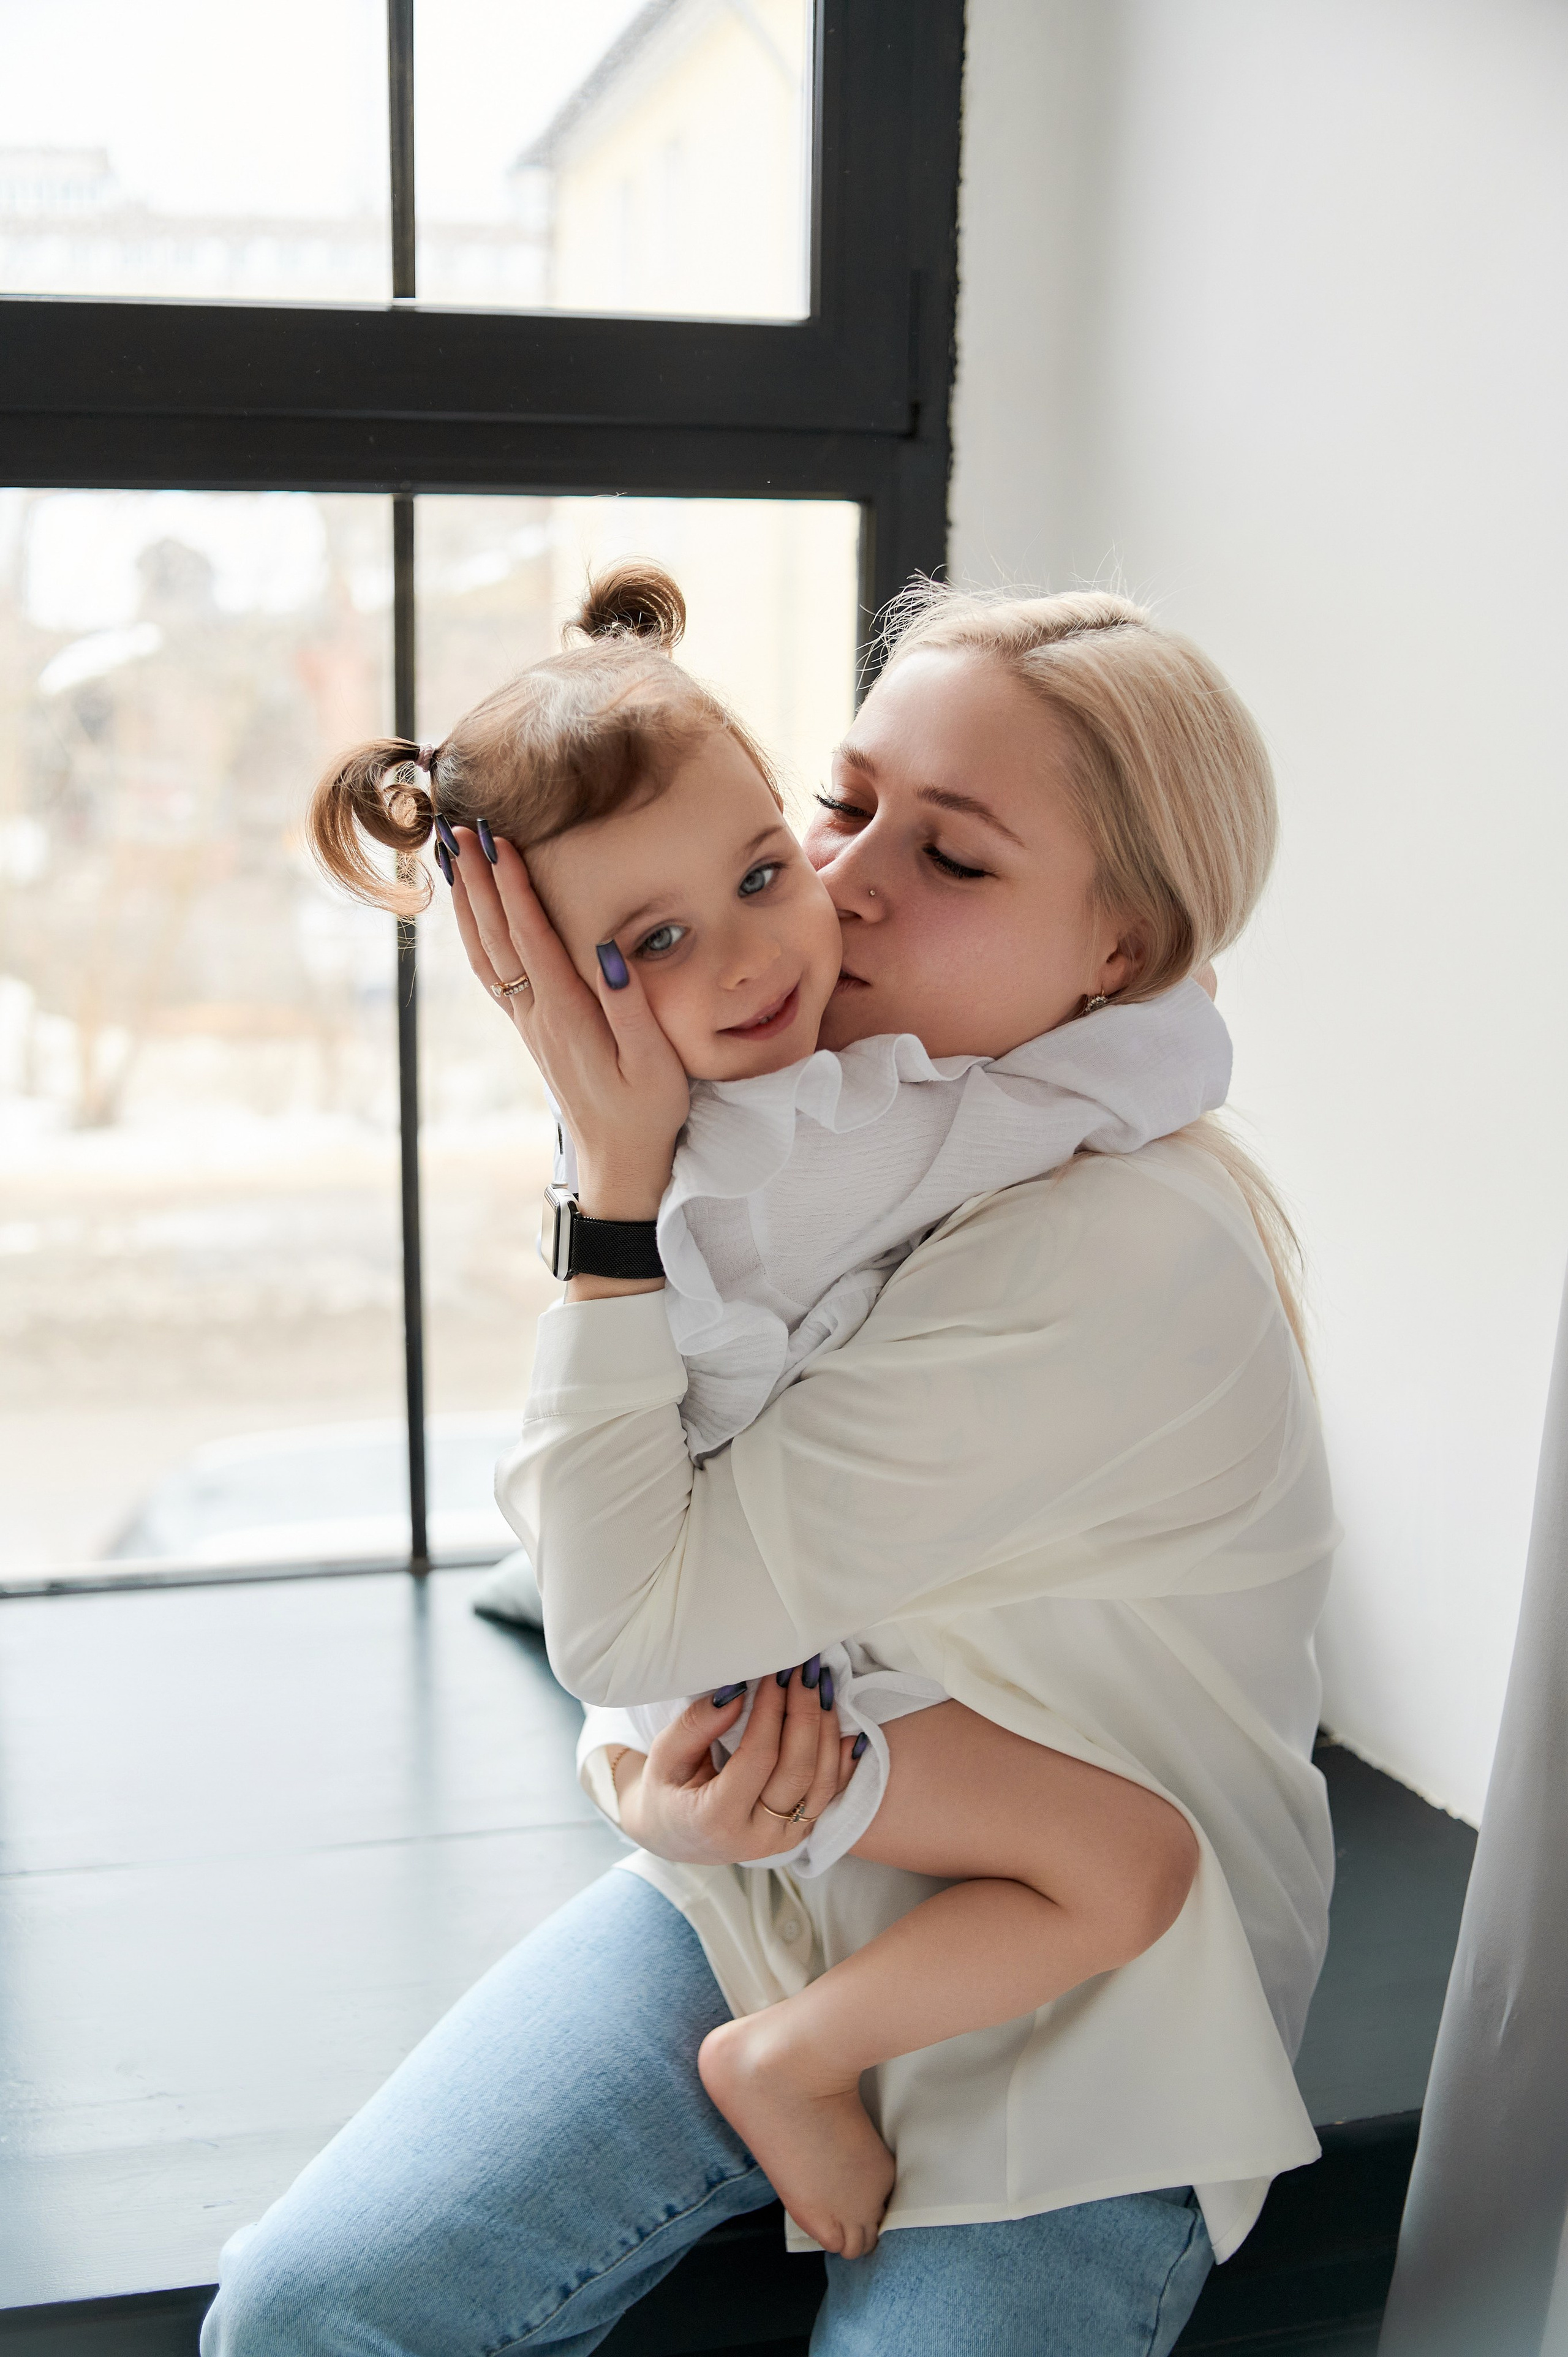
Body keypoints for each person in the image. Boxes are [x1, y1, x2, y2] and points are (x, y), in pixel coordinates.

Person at [202, 574, 1335, 2357]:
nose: (845, 885)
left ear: (1121, 948)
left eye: (953, 858)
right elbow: (622, 1546)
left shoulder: (1115, 1246)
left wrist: (615, 1193)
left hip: (1090, 2006)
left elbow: (636, 1595)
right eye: (841, 803)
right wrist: (658, 1789)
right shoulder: (807, 1136)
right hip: (774, 1887)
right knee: (314, 2307)